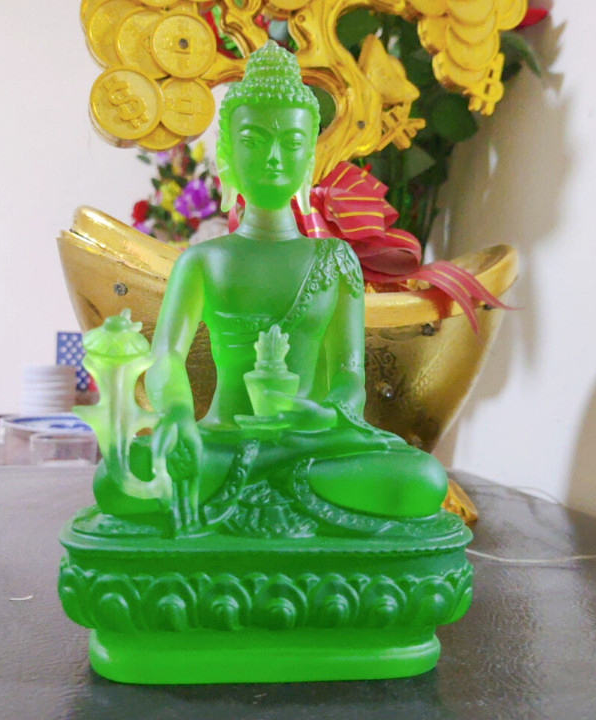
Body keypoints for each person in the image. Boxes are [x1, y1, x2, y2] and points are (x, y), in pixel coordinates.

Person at [97, 41, 448, 533]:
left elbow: (349, 376)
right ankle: (281, 495)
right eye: (255, 141)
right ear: (227, 153)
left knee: (421, 479)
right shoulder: (203, 261)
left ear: (310, 157)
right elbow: (166, 360)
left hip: (310, 446)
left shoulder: (335, 259)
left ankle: (258, 492)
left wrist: (321, 415)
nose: (275, 158)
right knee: (117, 480)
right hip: (219, 441)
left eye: (292, 142)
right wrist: (176, 416)